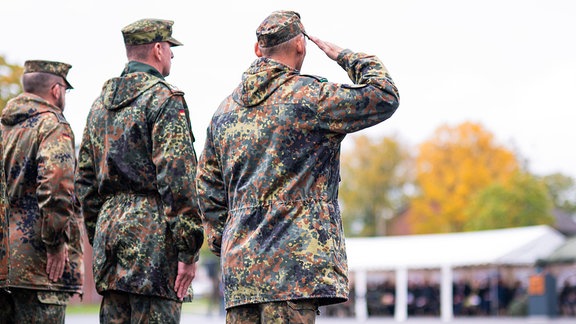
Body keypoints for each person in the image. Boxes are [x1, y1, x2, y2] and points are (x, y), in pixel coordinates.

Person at [196, 10, 400, 323]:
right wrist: (343, 55)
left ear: (257, 50)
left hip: (241, 277)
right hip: (294, 272)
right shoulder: (310, 98)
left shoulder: (224, 111)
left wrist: (227, 242)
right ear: (301, 47)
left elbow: (207, 187)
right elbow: (384, 95)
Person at [74, 18, 204, 323]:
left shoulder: (99, 106)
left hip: (110, 238)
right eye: (171, 48)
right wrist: (188, 250)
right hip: (154, 244)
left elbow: (84, 182)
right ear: (158, 49)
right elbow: (178, 179)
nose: (172, 55)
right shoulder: (165, 100)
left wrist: (101, 232)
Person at [0, 60, 84, 323]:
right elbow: (56, 187)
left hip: (4, 264)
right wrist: (56, 243)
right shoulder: (52, 125)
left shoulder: (3, 128)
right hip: (40, 266)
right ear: (56, 90)